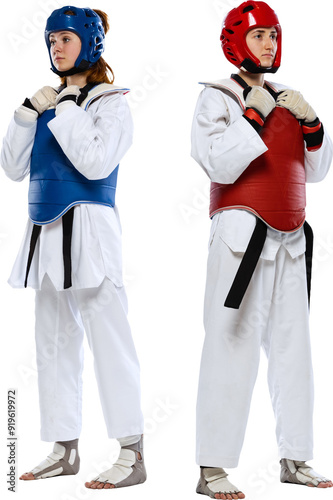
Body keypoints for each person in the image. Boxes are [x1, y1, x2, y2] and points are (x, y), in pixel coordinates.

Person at [191, 1, 333, 498]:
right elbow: (217, 164)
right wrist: (253, 114)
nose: (269, 44)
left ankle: (296, 457)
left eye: (273, 35)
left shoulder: (288, 99)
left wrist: (312, 123)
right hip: (240, 235)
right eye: (258, 36)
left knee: (295, 351)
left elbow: (314, 171)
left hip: (291, 238)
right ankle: (211, 469)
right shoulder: (218, 99)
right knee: (230, 345)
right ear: (235, 41)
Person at [1, 5, 146, 490]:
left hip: (91, 230)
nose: (55, 48)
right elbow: (13, 168)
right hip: (44, 232)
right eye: (51, 41)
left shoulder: (111, 102)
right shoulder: (44, 105)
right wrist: (26, 114)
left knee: (109, 340)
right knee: (54, 342)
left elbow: (96, 161)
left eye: (64, 38)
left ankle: (131, 450)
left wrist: (65, 106)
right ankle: (64, 447)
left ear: (88, 41)